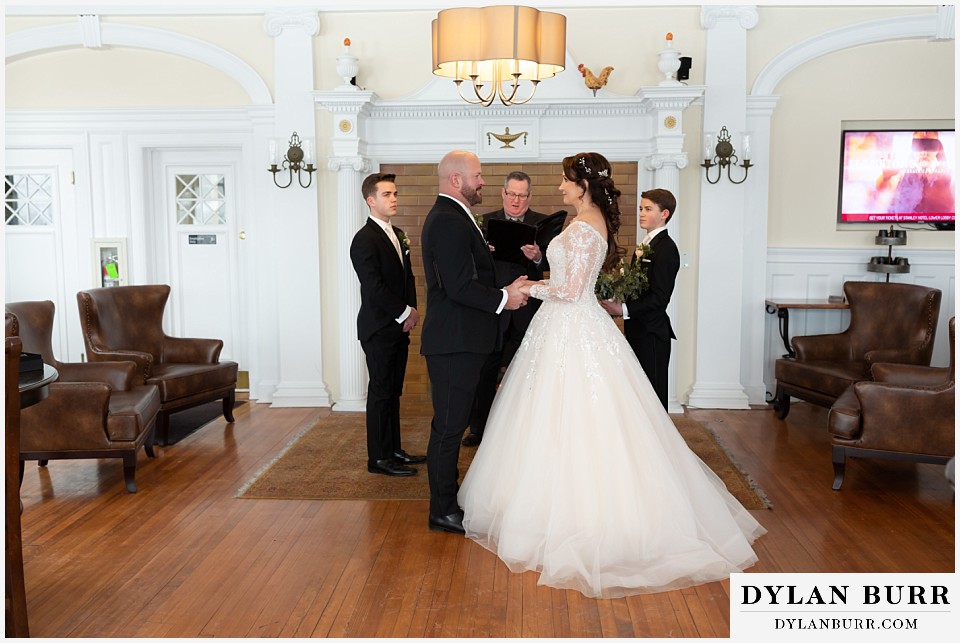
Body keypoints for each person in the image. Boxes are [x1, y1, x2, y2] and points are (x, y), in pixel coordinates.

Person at [458, 152, 765, 598]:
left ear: (582, 184)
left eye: (566, 181)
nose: (560, 187)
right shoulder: (584, 221)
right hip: (569, 326)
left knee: (574, 415)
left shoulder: (584, 226)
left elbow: (567, 290)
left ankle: (575, 516)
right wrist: (541, 260)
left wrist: (526, 287)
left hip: (570, 326)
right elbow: (573, 277)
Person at [420, 150, 529, 534]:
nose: (482, 182)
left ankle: (448, 503)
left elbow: (468, 277)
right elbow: (459, 286)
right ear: (456, 180)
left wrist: (503, 288)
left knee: (451, 426)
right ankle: (442, 510)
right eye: (478, 176)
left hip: (464, 340)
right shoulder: (448, 220)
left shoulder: (456, 217)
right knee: (449, 429)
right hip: (454, 342)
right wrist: (505, 299)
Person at [349, 173, 425, 477]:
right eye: (387, 194)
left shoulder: (398, 233)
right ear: (371, 200)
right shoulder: (363, 239)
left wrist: (413, 309)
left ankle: (394, 450)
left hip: (398, 326)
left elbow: (408, 277)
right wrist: (402, 312)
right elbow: (374, 286)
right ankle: (378, 458)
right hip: (378, 328)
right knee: (381, 393)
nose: (394, 199)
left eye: (395, 193)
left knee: (393, 392)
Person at [464, 171, 548, 447]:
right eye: (511, 194)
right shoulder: (484, 222)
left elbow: (553, 268)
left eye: (522, 196)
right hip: (494, 308)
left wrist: (537, 258)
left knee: (525, 373)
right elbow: (472, 269)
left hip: (528, 311)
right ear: (503, 193)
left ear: (529, 197)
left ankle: (521, 431)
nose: (516, 200)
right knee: (484, 372)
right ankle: (479, 428)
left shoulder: (542, 224)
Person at [600, 188, 681, 410]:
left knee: (653, 395)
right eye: (640, 209)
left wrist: (623, 309)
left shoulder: (666, 249)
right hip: (638, 329)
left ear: (664, 214)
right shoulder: (647, 244)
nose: (641, 214)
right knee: (639, 393)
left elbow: (659, 298)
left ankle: (660, 443)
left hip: (652, 333)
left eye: (648, 209)